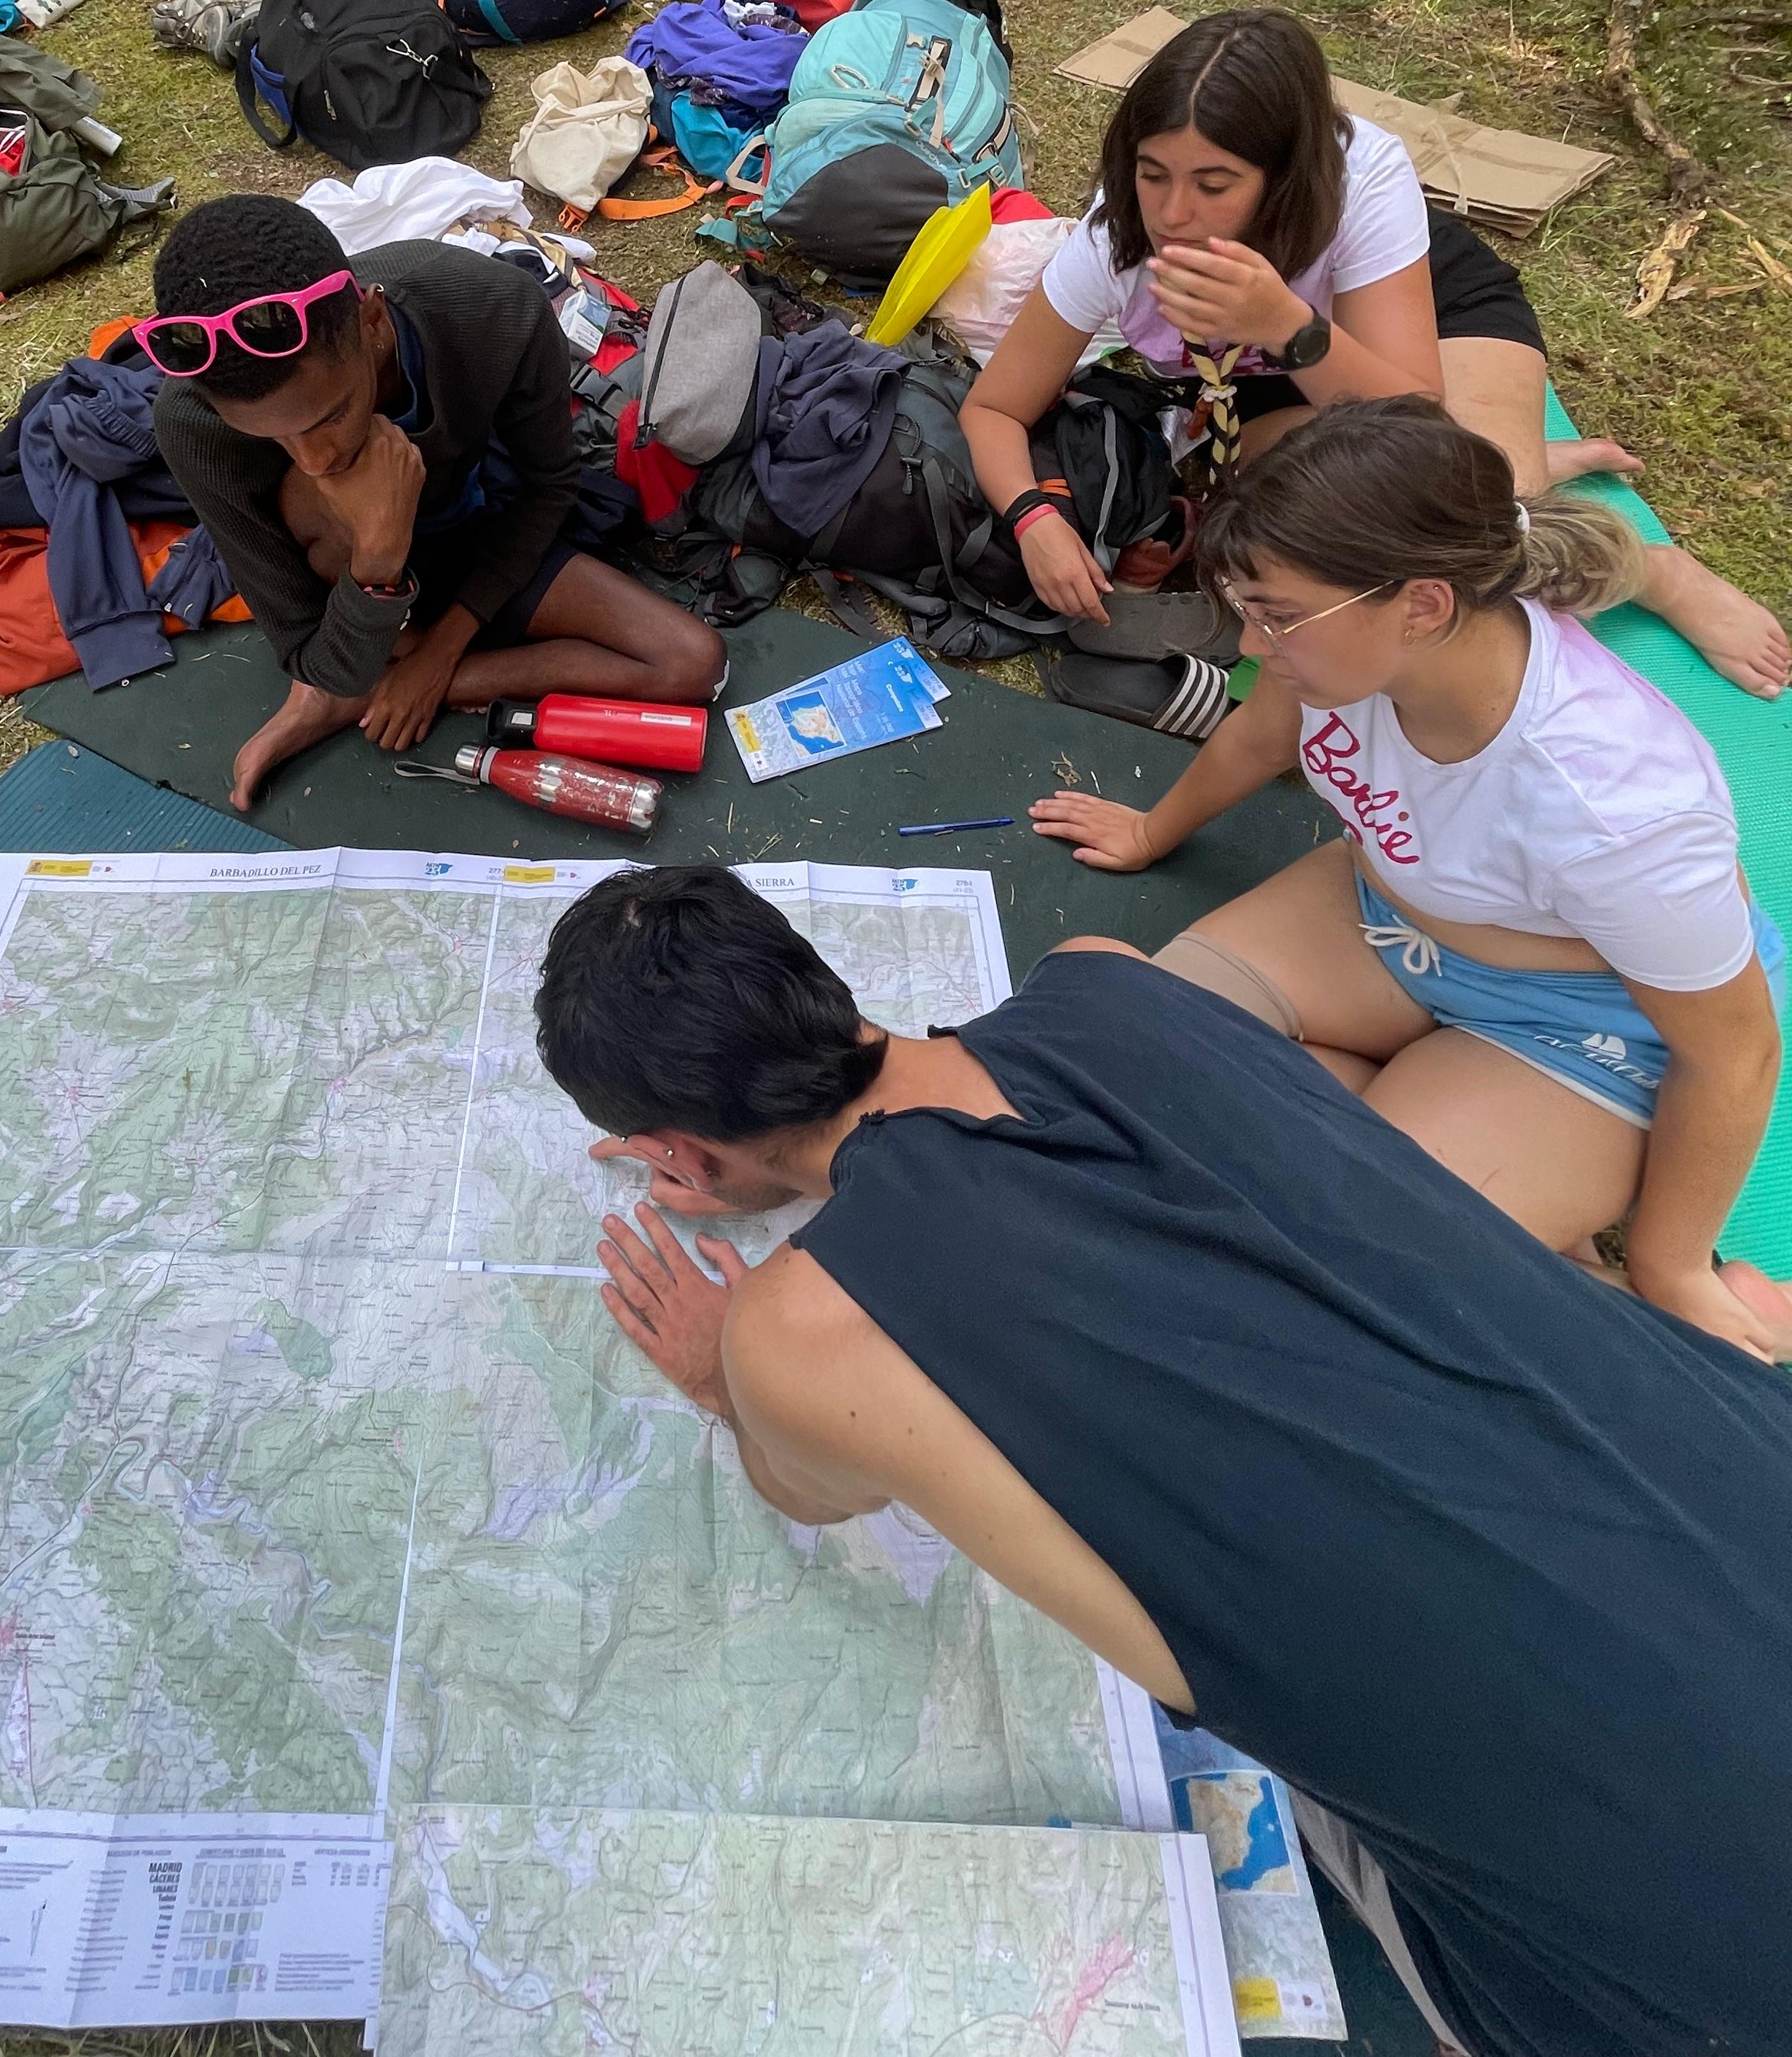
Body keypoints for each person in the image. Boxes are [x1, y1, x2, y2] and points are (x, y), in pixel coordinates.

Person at [533, 861, 1792, 2057]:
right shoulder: (1105, 975)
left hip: (1695, 1969)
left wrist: (720, 1373)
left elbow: (801, 1486)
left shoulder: (796, 1337)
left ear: (678, 1154)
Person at [1033, 397, 1792, 1362]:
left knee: (1349, 1265)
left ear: (1424, 606)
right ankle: (1447, 1159)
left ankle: (1601, 1277)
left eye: (1277, 618)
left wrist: (1671, 1266)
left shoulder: (1617, 808)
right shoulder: (1338, 650)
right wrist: (1153, 830)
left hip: (1578, 1025)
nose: (1253, 647)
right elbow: (1263, 735)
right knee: (1124, 1053)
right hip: (1384, 918)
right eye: (1247, 611)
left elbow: (1734, 1056)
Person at [959, 7, 1788, 697]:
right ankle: (1525, 459)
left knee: (1474, 541)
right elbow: (995, 405)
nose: (1174, 214)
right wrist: (1033, 518)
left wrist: (1285, 322)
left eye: (1214, 185)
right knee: (1324, 540)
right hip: (1271, 381)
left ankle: (1653, 571)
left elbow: (1416, 424)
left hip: (1422, 325)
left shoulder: (1363, 179)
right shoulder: (1116, 242)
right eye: (1152, 174)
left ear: (1283, 179)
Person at [145, 196, 723, 808]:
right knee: (318, 529)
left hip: (475, 523)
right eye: (270, 437)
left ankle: (370, 687)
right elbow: (307, 648)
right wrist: (378, 558)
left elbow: (550, 486)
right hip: (341, 562)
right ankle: (363, 668)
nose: (314, 459)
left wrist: (439, 659)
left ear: (372, 323)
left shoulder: (493, 307)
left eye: (332, 415)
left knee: (693, 662)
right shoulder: (192, 421)